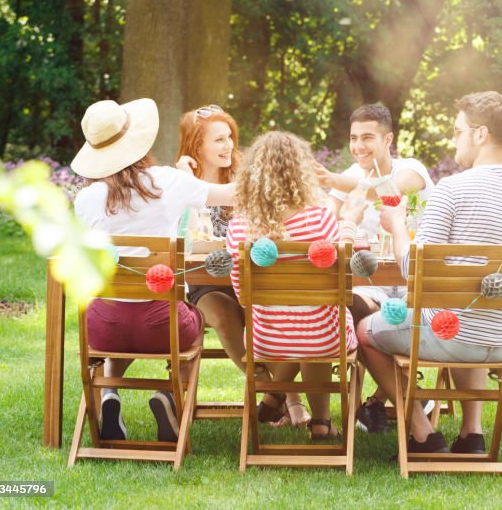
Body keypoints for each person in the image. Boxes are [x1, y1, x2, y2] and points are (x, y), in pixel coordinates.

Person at [360, 91, 502, 454]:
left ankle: (422, 433)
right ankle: (472, 434)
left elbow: (414, 269)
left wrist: (397, 226)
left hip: (450, 334)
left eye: (457, 131)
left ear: (480, 135)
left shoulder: (452, 189)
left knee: (365, 331)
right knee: (469, 313)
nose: (454, 139)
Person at [72, 98, 235, 443]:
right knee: (195, 320)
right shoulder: (167, 181)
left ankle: (109, 396)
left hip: (102, 329)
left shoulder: (84, 200)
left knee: (123, 319)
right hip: (163, 328)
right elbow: (230, 193)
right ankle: (170, 397)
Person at [225, 131, 359, 439]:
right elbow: (340, 279)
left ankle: (274, 396)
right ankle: (322, 423)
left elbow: (243, 297)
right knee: (317, 321)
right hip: (325, 340)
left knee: (301, 320)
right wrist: (349, 222)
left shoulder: (239, 226)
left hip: (265, 340)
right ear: (300, 172)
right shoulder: (321, 219)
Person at [313, 103, 434, 433]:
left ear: (388, 139)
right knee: (346, 306)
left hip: (414, 287)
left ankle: (386, 399)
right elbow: (326, 221)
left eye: (367, 138)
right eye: (353, 138)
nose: (358, 146)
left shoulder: (412, 169)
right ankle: (409, 394)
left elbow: (393, 189)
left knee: (364, 317)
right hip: (371, 284)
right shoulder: (350, 177)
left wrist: (339, 181)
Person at [174, 104, 246, 373]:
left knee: (278, 315)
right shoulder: (179, 182)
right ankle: (272, 391)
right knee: (223, 315)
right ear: (197, 145)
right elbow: (190, 239)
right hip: (206, 283)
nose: (228, 145)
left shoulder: (244, 178)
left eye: (229, 137)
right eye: (218, 139)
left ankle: (285, 396)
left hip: (251, 276)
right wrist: (186, 182)